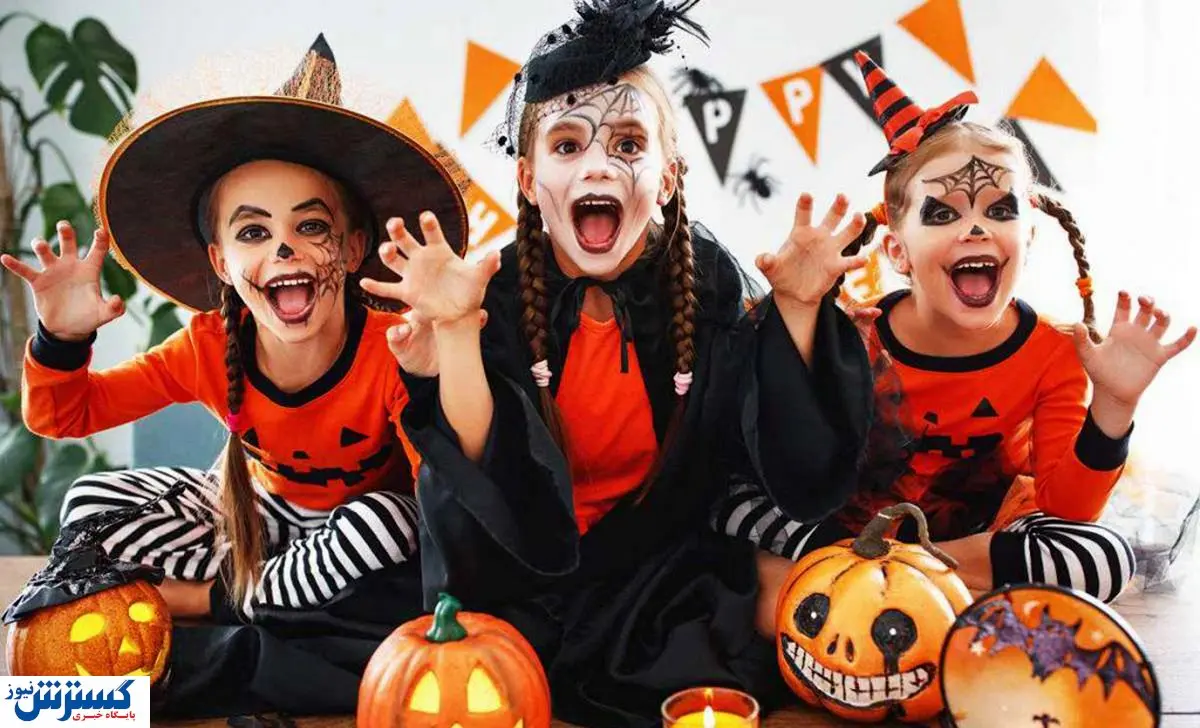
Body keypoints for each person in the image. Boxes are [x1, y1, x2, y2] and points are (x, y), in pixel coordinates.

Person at [356, 2, 875, 724]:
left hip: (655, 566)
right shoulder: (493, 290)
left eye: (628, 144)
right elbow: (479, 471)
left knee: (800, 620)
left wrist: (797, 308)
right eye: (567, 145)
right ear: (529, 179)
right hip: (519, 571)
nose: (598, 164)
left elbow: (781, 448)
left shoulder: (705, 282)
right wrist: (455, 331)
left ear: (667, 178)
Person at [2, 35, 468, 621]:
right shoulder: (205, 347)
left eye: (311, 226)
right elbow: (63, 417)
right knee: (91, 498)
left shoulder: (396, 348)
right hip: (254, 520)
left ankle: (204, 602)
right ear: (221, 262)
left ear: (353, 249)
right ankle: (276, 594)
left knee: (389, 522)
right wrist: (62, 340)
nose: (283, 249)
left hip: (356, 536)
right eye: (253, 233)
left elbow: (444, 500)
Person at [719, 51, 1196, 604]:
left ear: (1029, 237)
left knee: (1101, 556)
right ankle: (892, 576)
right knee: (728, 498)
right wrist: (798, 310)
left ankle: (890, 575)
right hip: (840, 525)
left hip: (967, 539)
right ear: (897, 251)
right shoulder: (856, 334)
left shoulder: (1055, 352)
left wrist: (1114, 405)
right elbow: (790, 454)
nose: (975, 228)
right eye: (943, 214)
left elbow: (1069, 508)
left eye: (1000, 210)